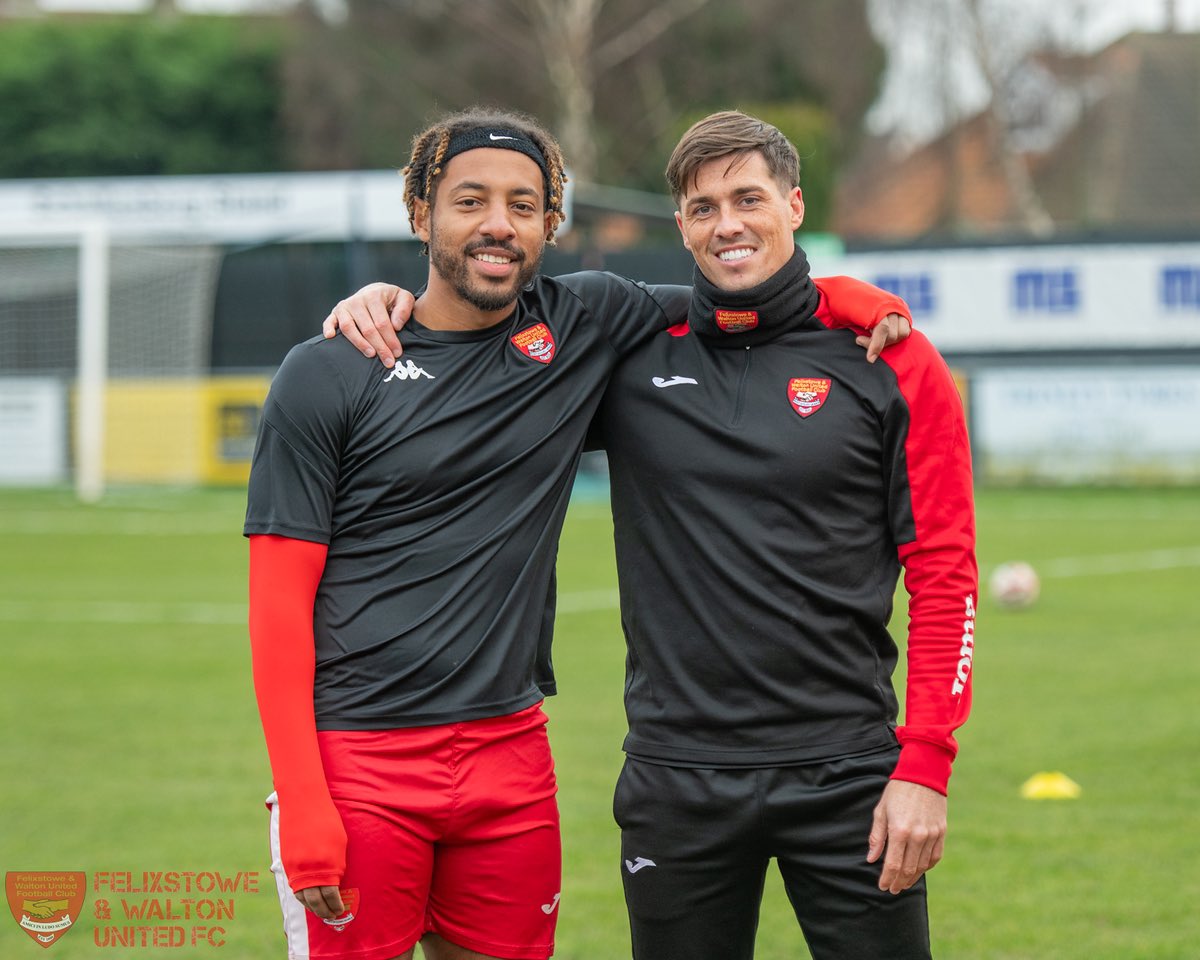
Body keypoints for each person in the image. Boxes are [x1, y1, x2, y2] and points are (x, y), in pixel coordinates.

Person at [245, 106, 910, 960]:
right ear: (420, 215)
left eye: (524, 205)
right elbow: (275, 608)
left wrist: (855, 298)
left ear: (551, 225)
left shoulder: (585, 323)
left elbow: (747, 302)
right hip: (360, 761)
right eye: (469, 201)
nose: (498, 224)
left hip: (510, 755)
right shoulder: (331, 371)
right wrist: (303, 799)